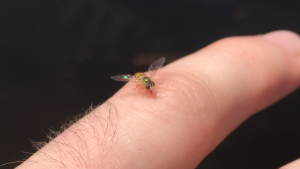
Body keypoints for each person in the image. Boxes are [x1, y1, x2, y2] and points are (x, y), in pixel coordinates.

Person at [15, 30, 300, 169]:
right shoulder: (136, 82)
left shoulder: (150, 78)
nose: (149, 86)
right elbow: (133, 82)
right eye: (147, 84)